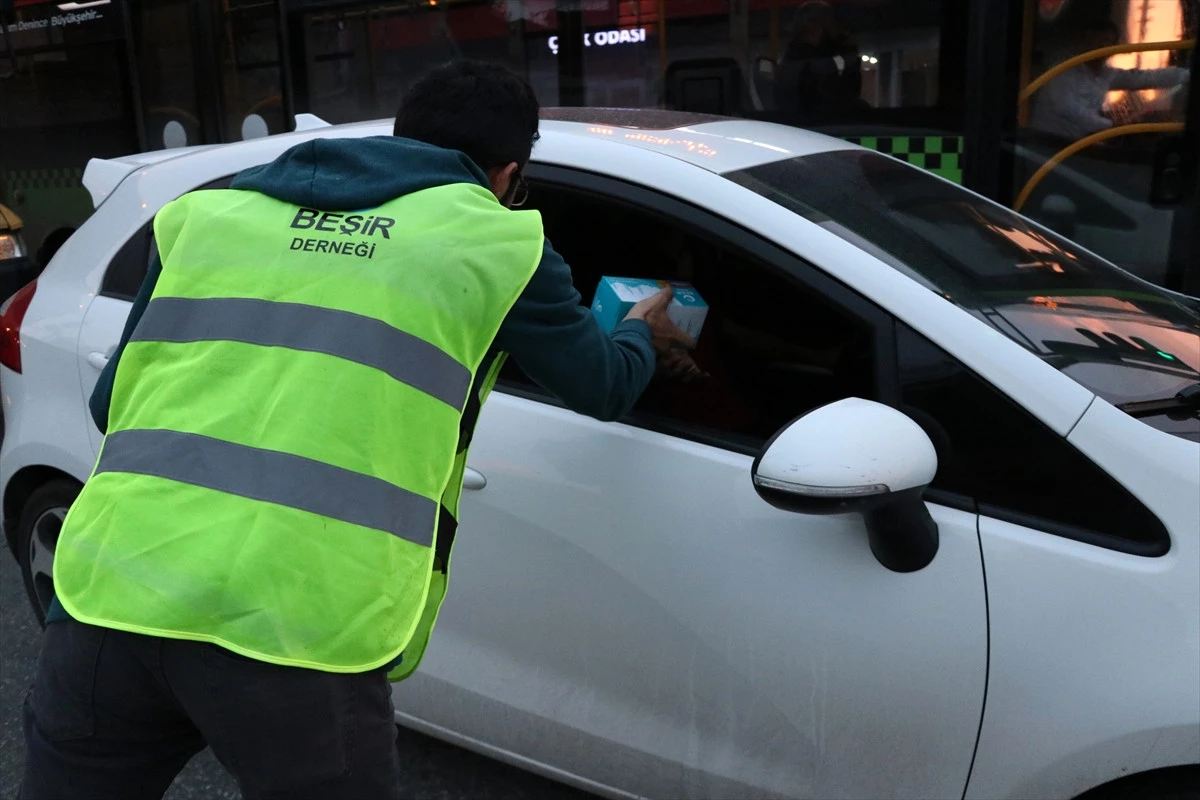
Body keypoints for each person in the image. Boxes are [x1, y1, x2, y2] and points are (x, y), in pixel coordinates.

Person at [20, 60, 697, 800]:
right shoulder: (499, 245)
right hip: (295, 631)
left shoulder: (206, 215)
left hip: (112, 594)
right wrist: (639, 333)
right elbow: (601, 382)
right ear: (507, 174)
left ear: (401, 135)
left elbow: (109, 404)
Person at [1029, 19, 1190, 141]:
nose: (1101, 46)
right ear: (1084, 43)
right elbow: (1069, 109)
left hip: (1079, 148)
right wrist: (1111, 127)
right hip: (1047, 147)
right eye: (1096, 40)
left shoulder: (1107, 74)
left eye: (1107, 41)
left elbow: (1143, 78)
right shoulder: (1062, 72)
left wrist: (1188, 74)